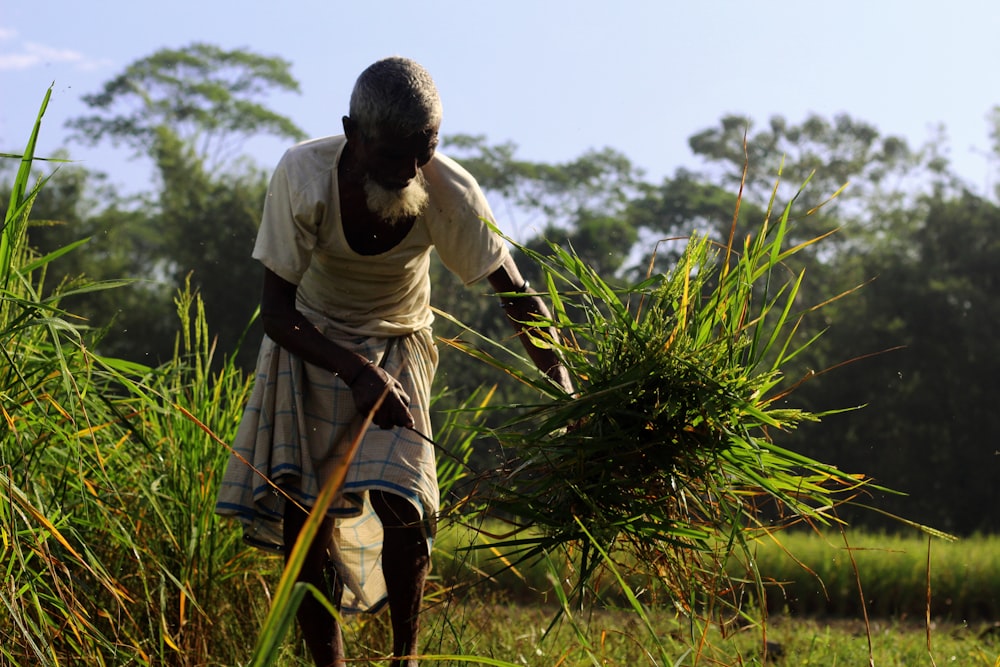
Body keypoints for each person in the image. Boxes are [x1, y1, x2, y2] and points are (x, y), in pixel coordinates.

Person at [215, 56, 573, 667]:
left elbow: (515, 293)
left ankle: (403, 659)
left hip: (399, 340)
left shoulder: (446, 188)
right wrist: (352, 370)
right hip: (309, 339)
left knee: (404, 506)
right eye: (394, 153)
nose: (410, 168)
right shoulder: (303, 175)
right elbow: (275, 312)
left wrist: (566, 385)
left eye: (424, 149)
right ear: (354, 134)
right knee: (308, 517)